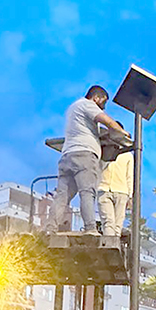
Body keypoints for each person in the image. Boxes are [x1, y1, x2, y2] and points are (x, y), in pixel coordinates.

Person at [51, 85, 128, 234]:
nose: (103, 108)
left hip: (67, 155)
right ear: (96, 98)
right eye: (103, 103)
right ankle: (90, 229)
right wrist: (122, 132)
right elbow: (107, 121)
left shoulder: (73, 109)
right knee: (87, 191)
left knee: (62, 196)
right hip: (84, 155)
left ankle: (50, 229)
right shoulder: (87, 105)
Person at [98, 125, 133, 236]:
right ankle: (109, 247)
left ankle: (113, 249)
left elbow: (130, 176)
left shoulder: (127, 155)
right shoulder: (101, 151)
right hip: (104, 189)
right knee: (108, 222)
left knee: (117, 224)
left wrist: (130, 196)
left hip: (121, 191)